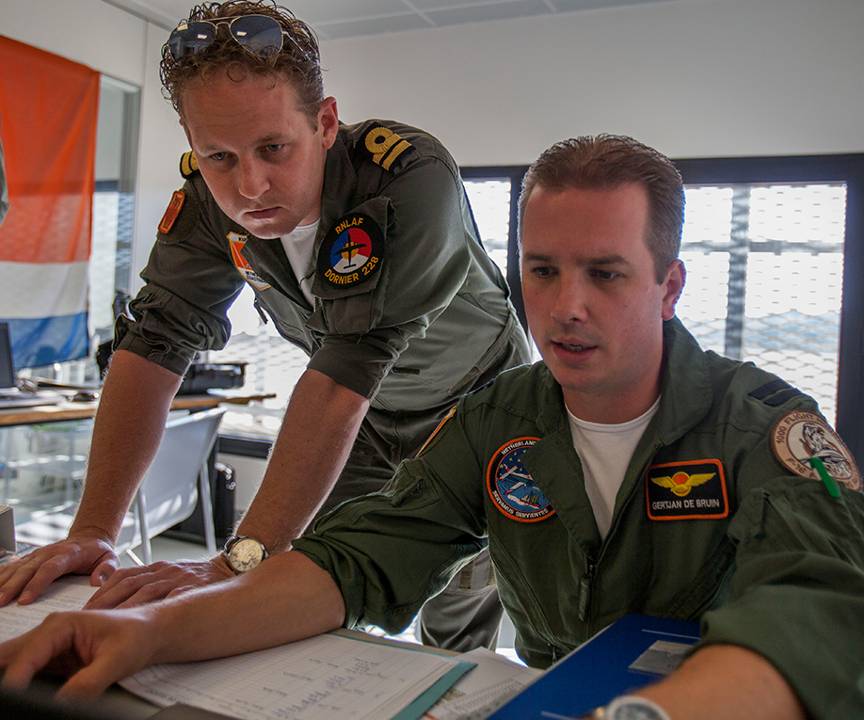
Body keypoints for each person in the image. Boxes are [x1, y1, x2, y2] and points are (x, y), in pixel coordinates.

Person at [0, 135, 864, 720]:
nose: (566, 307)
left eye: (605, 274)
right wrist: (156, 631)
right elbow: (355, 561)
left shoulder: (765, 428)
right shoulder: (499, 419)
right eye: (542, 271)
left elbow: (834, 615)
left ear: (669, 286)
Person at [0, 0, 529, 652]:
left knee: (453, 607)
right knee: (304, 589)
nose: (250, 185)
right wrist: (92, 532)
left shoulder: (405, 176)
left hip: (474, 408)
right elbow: (154, 346)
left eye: (274, 148)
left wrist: (235, 562)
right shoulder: (206, 203)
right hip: (366, 419)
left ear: (325, 123)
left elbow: (345, 369)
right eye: (218, 155)